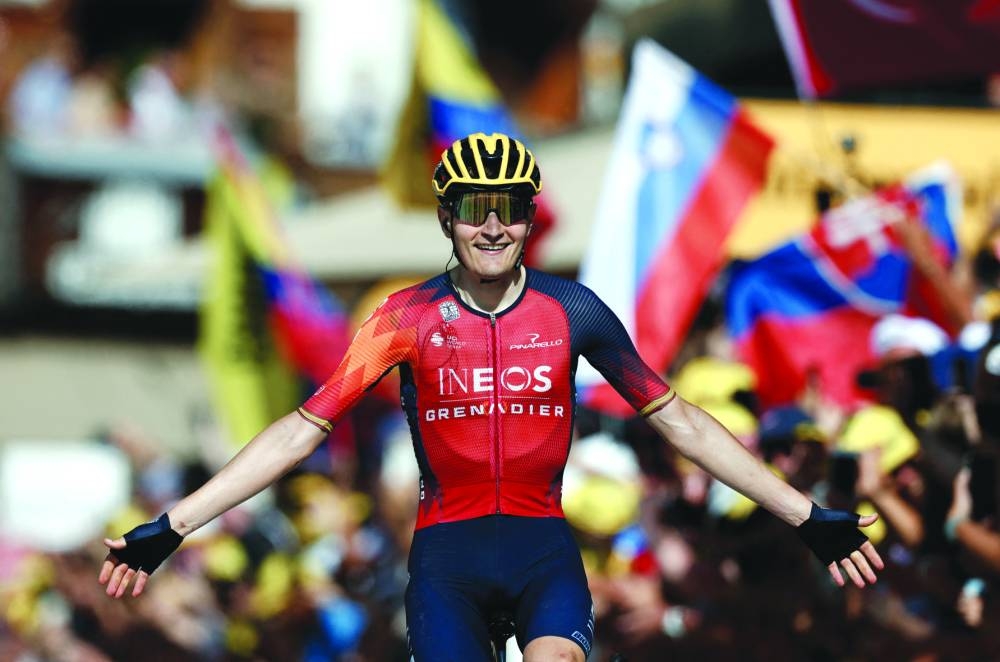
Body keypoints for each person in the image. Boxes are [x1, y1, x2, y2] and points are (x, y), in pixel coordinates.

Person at [99, 132, 884, 661]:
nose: (494, 226)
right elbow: (297, 434)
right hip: (449, 562)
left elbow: (680, 421)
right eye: (475, 209)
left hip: (543, 552)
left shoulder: (573, 311)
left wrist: (806, 517)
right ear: (447, 217)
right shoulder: (402, 319)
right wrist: (174, 526)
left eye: (510, 208)